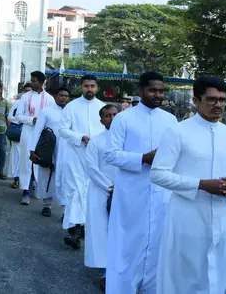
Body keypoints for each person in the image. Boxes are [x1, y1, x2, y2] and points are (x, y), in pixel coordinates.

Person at [151, 75, 226, 293]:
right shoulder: (177, 131)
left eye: (222, 100)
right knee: (188, 276)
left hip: (224, 217)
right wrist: (201, 184)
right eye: (212, 99)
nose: (218, 105)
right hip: (188, 218)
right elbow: (157, 174)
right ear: (196, 100)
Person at [104, 71, 178, 294]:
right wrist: (143, 158)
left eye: (161, 91)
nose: (158, 95)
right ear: (141, 91)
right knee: (127, 246)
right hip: (131, 194)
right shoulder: (124, 119)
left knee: (158, 245)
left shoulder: (171, 120)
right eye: (153, 90)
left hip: (162, 193)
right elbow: (110, 155)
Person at [58, 74, 105, 249]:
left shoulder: (103, 107)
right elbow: (62, 130)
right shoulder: (71, 107)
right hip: (75, 157)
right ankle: (74, 231)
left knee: (91, 192)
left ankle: (86, 227)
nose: (90, 89)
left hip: (97, 159)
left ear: (97, 88)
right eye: (86, 86)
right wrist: (81, 137)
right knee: (75, 191)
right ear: (81, 87)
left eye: (92, 86)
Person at [85, 104, 118, 292]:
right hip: (101, 191)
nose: (112, 118)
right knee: (103, 231)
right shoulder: (96, 141)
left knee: (122, 232)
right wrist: (110, 187)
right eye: (107, 116)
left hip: (125, 192)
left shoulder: (128, 141)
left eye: (115, 115)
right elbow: (92, 168)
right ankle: (106, 273)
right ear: (101, 120)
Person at [10, 71, 55, 205]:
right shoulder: (25, 97)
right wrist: (31, 120)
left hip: (43, 135)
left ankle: (39, 188)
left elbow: (52, 117)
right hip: (28, 132)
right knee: (26, 161)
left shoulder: (49, 99)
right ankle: (26, 191)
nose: (32, 83)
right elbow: (18, 116)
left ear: (42, 82)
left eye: (35, 81)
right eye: (32, 80)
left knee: (41, 160)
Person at [29, 85, 71, 217]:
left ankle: (65, 210)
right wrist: (32, 150)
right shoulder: (46, 111)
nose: (63, 98)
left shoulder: (71, 112)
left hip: (67, 150)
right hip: (49, 149)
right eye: (61, 95)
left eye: (66, 96)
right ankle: (47, 205)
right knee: (47, 174)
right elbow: (37, 131)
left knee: (66, 178)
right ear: (55, 97)